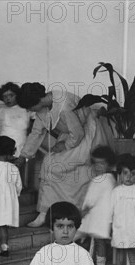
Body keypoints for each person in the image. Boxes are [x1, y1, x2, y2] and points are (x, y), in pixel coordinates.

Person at [16, 83, 108, 227]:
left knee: (60, 167)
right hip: (71, 137)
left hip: (86, 137)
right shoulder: (43, 108)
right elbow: (36, 133)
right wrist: (23, 156)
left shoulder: (64, 106)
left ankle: (75, 213)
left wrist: (64, 145)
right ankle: (44, 212)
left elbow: (78, 133)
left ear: (37, 101)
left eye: (29, 107)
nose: (28, 110)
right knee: (48, 163)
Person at [75, 145, 117, 265]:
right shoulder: (111, 179)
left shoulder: (100, 180)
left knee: (97, 241)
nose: (98, 166)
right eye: (96, 163)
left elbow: (91, 200)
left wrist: (82, 212)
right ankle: (98, 263)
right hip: (103, 216)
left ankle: (99, 264)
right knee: (98, 241)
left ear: (108, 164)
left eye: (102, 163)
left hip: (98, 216)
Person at [0, 82, 32, 157]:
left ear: (17, 95)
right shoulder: (2, 111)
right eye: (5, 96)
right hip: (4, 149)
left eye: (11, 95)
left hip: (22, 145)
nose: (8, 98)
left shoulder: (26, 110)